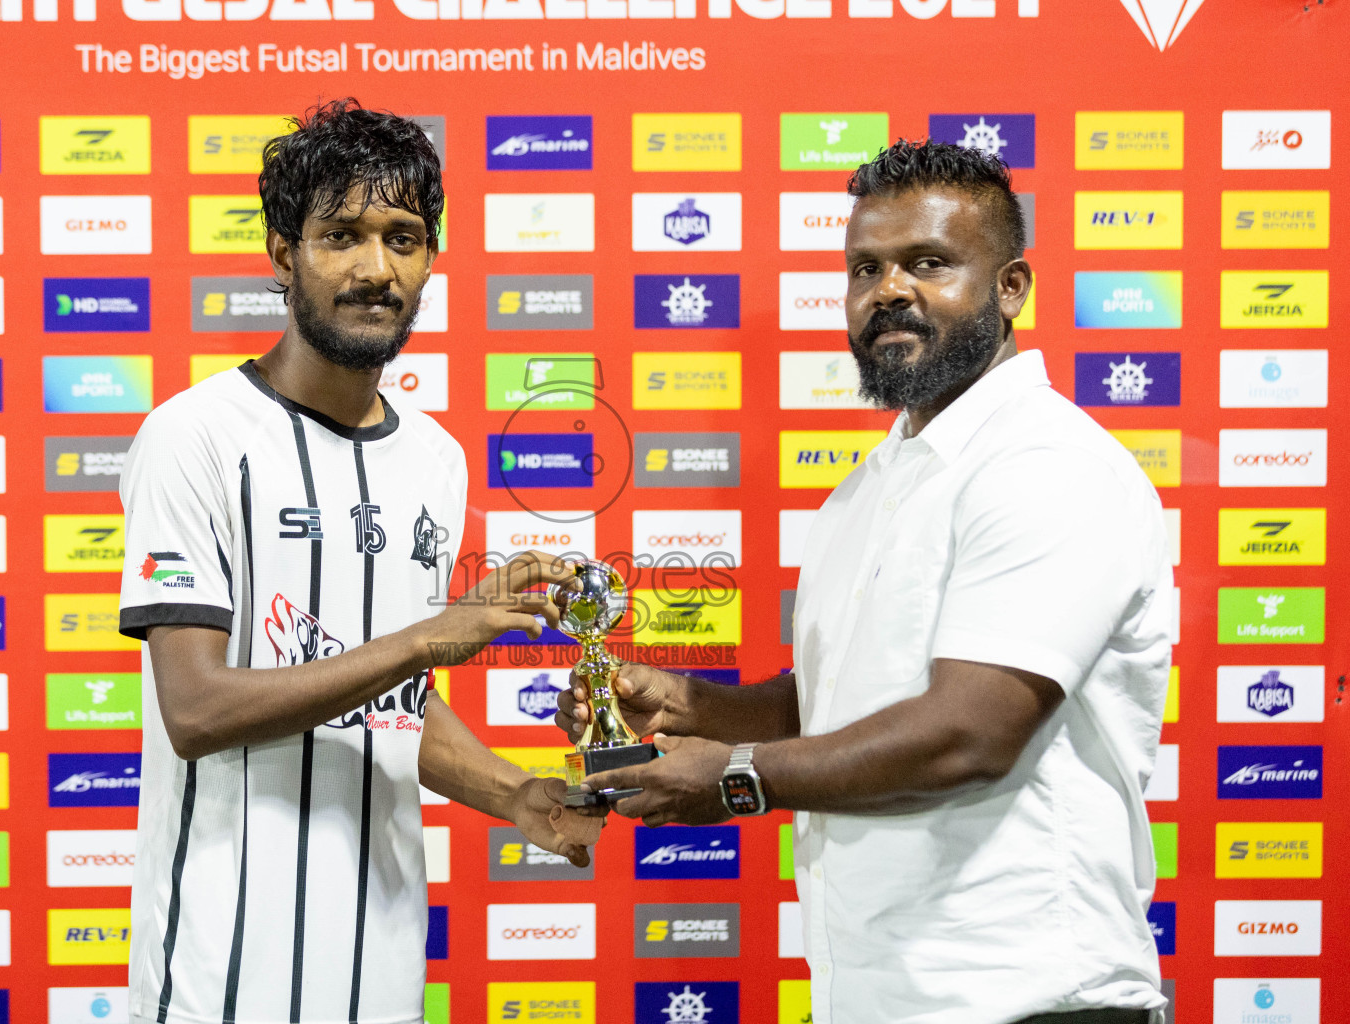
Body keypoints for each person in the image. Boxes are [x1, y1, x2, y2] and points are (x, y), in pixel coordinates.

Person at [562, 140, 1172, 1024]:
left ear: (1011, 288)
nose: (890, 289)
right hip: (873, 997)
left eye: (928, 262)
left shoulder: (1051, 466)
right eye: (865, 267)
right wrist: (688, 707)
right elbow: (844, 704)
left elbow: (967, 733)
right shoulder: (870, 488)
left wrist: (735, 777)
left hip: (1030, 1000)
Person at [118, 98, 598, 1024]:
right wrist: (428, 638)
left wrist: (514, 795)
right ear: (281, 251)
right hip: (222, 978)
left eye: (404, 238)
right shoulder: (195, 437)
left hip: (382, 970)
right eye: (341, 234)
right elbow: (198, 708)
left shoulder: (437, 458)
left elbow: (388, 709)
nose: (376, 269)